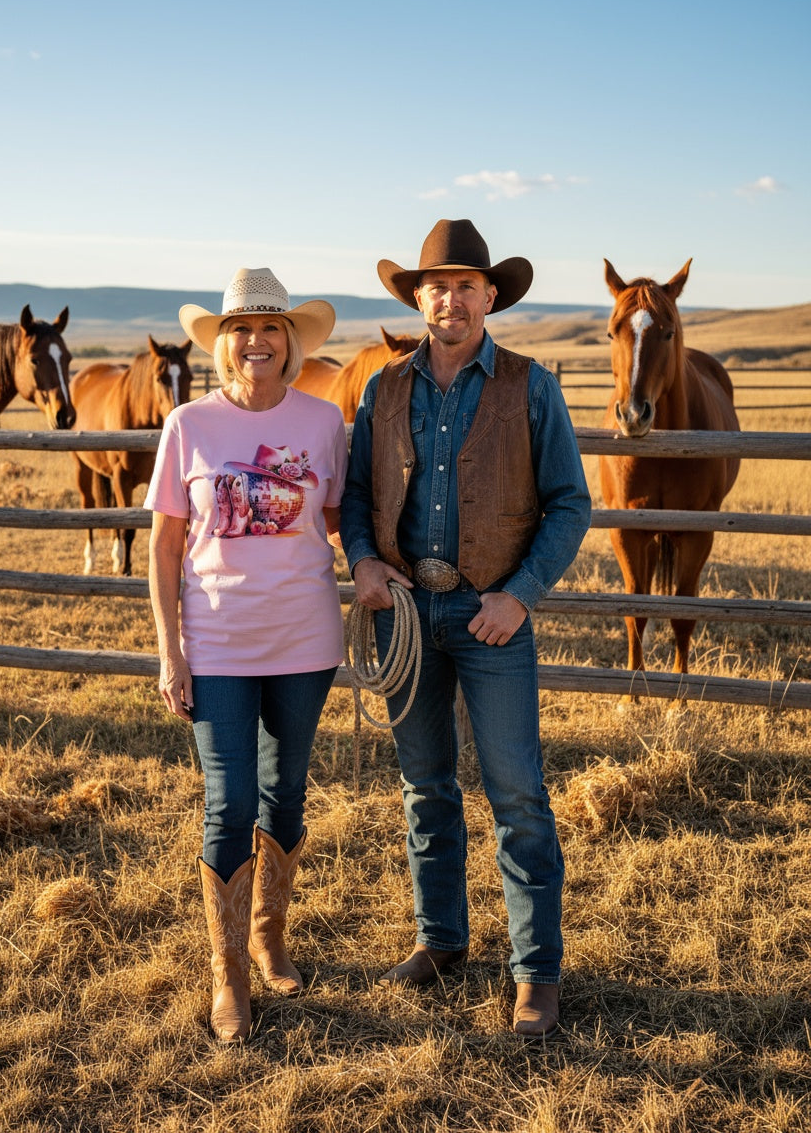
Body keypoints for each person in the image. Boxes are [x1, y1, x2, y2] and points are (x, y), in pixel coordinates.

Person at [340, 220, 591, 1038]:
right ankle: (442, 939)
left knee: (517, 793)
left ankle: (535, 973)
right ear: (418, 298)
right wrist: (367, 563)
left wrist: (519, 594)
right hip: (408, 614)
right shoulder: (385, 389)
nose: (450, 299)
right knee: (425, 786)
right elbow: (352, 497)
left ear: (491, 296)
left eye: (465, 285)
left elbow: (569, 503)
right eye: (434, 286)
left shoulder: (530, 385)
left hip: (493, 617)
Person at [146, 267, 348, 1042]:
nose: (256, 342)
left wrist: (373, 563)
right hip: (217, 643)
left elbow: (339, 521)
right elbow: (165, 548)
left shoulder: (324, 423)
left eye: (271, 329)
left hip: (304, 641)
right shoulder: (188, 425)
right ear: (224, 343)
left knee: (285, 794)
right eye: (242, 330)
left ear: (291, 342)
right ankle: (228, 974)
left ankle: (269, 936)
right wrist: (171, 650)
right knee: (228, 801)